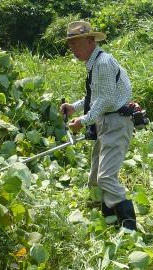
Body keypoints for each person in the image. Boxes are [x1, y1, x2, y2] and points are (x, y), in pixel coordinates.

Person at [59, 21, 137, 231]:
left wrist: (83, 120)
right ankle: (109, 216)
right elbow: (95, 96)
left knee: (106, 176)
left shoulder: (102, 63)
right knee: (96, 174)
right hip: (106, 121)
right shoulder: (94, 63)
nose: (72, 49)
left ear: (90, 40)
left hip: (115, 122)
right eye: (70, 44)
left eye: (76, 43)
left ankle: (129, 226)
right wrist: (74, 108)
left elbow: (106, 100)